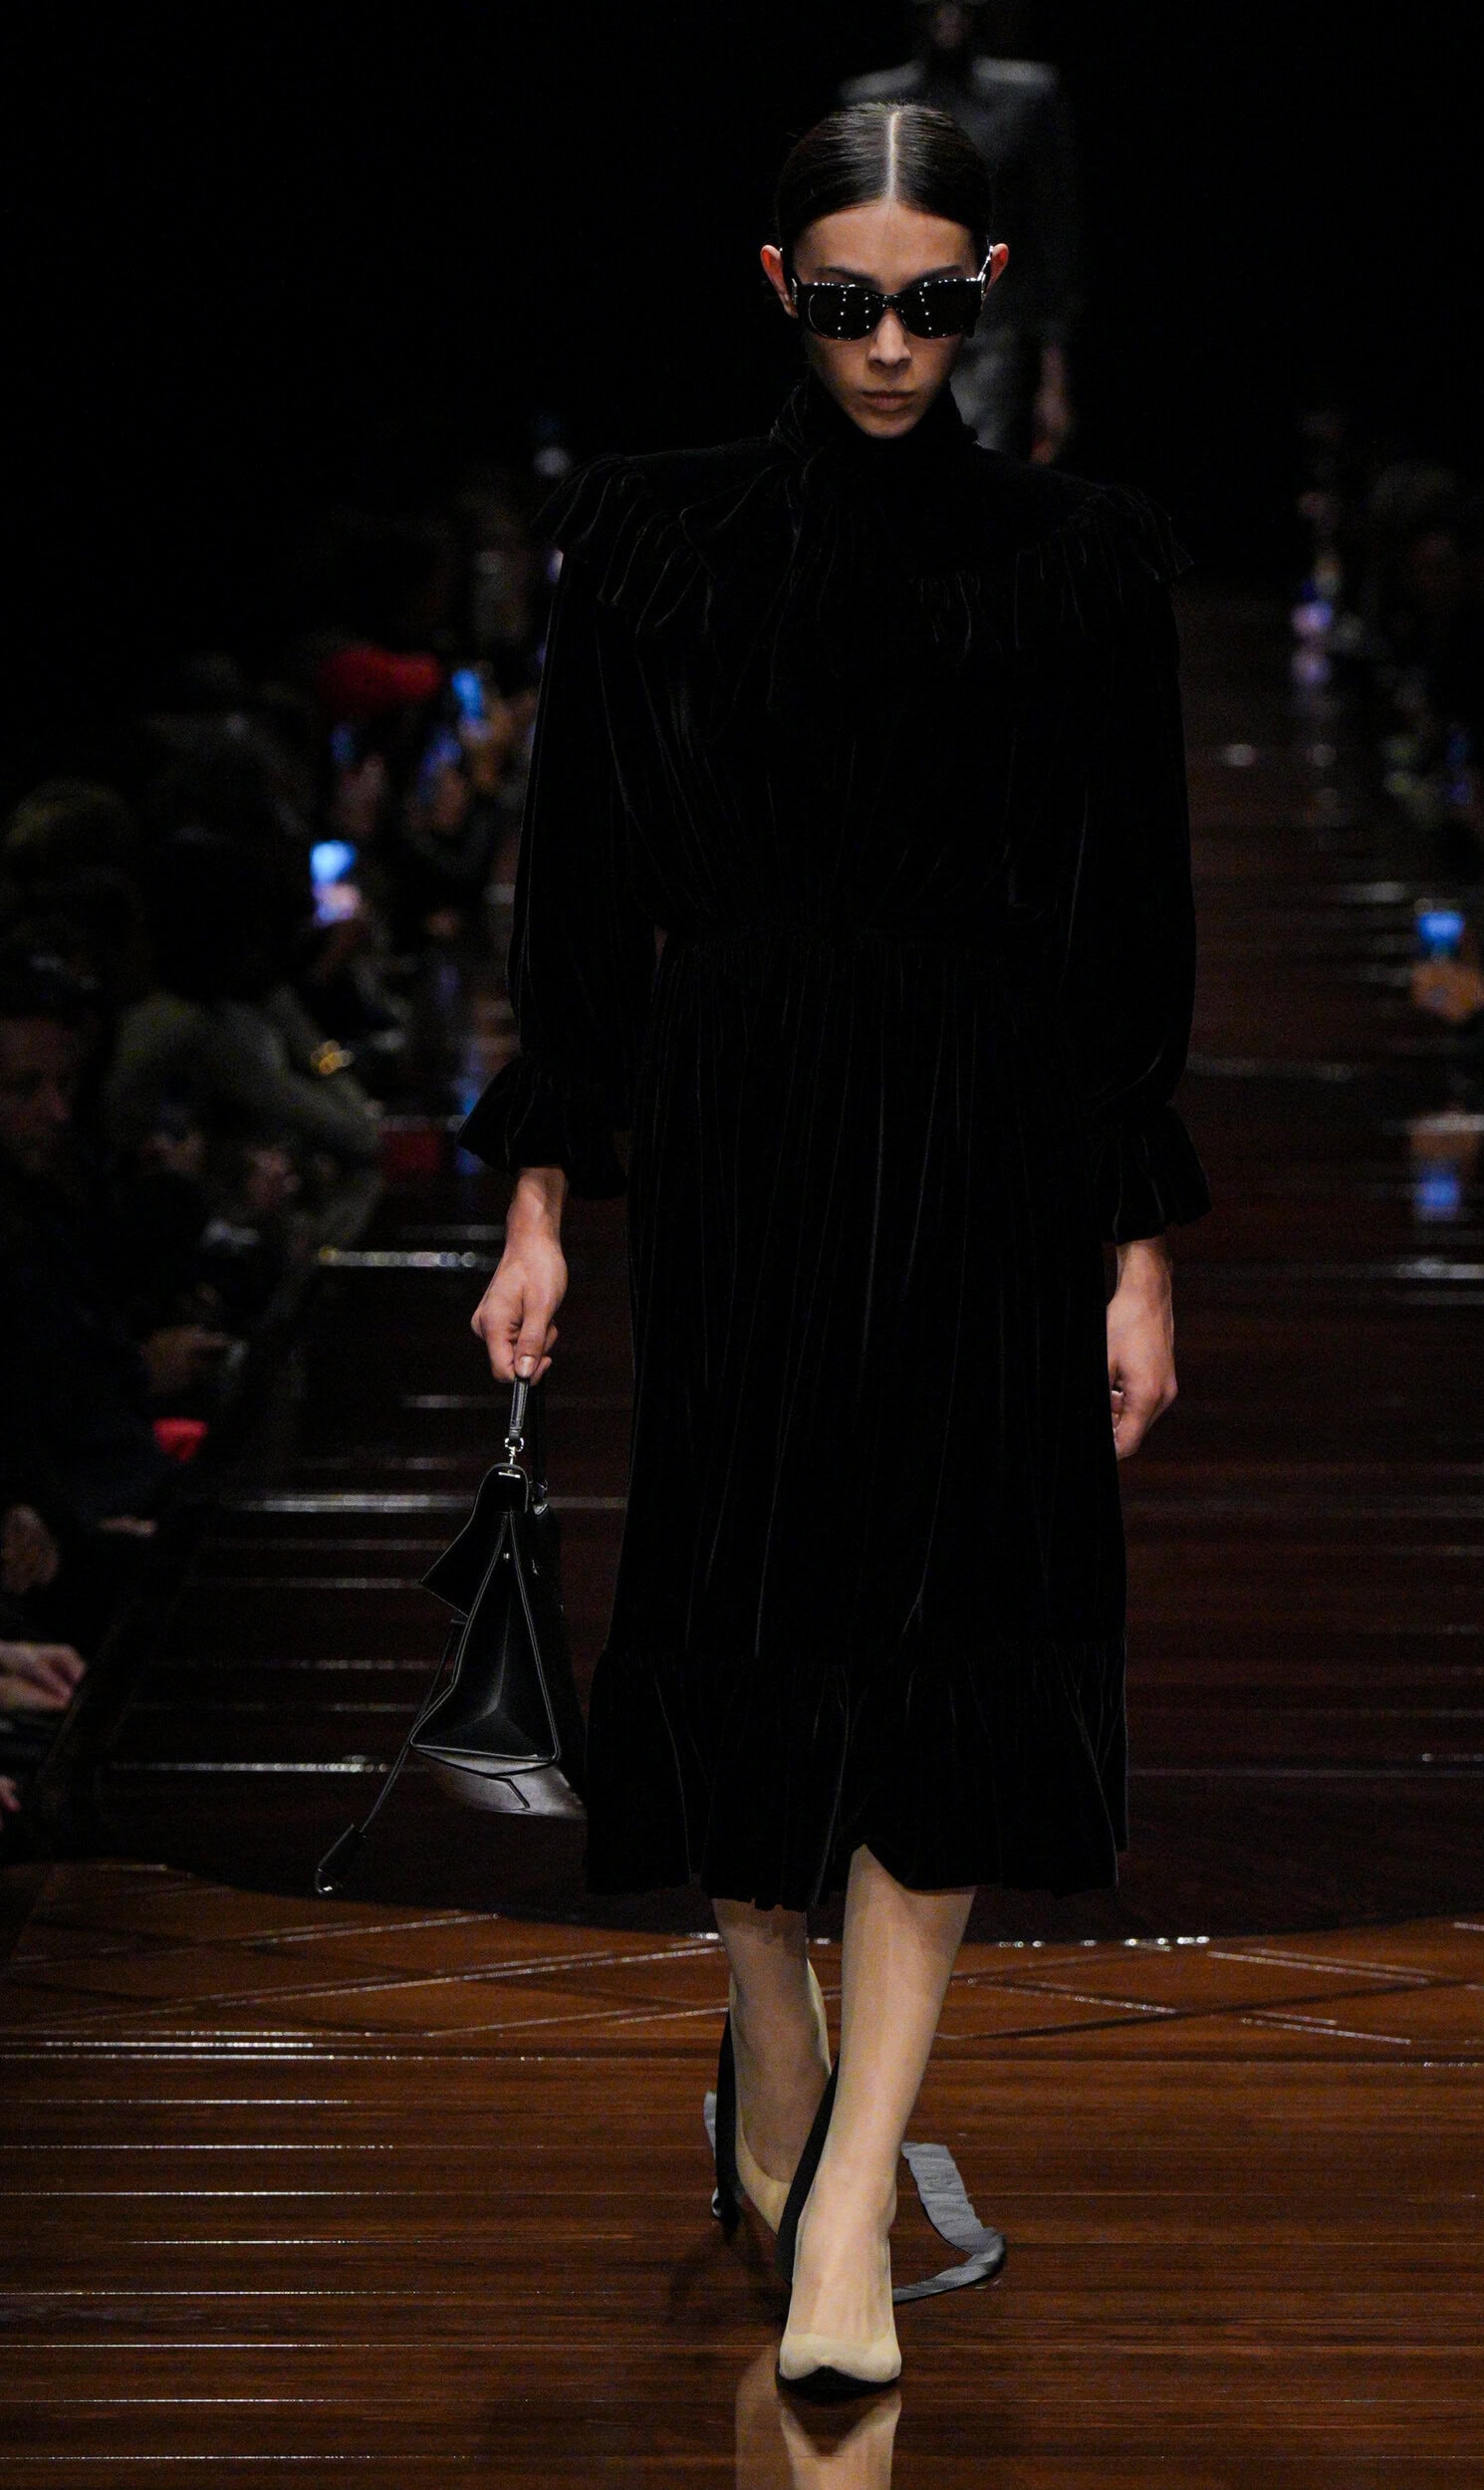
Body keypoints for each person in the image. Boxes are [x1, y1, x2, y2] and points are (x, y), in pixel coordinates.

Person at [463, 103, 1207, 2397]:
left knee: (958, 1624)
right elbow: (579, 884)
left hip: (993, 1134)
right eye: (850, 301)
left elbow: (1126, 918)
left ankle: (851, 2187)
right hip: (746, 1128)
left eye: (934, 302)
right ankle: (769, 2030)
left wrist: (1133, 1246)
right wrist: (539, 1198)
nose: (892, 346)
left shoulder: (1079, 558)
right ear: (775, 286)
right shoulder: (654, 535)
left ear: (986, 287)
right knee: (747, 1599)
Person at [840, 3, 1082, 462]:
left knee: (973, 470)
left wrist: (1055, 378)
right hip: (895, 320)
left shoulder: (1028, 98)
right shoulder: (868, 101)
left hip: (992, 328)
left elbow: (1053, 235)